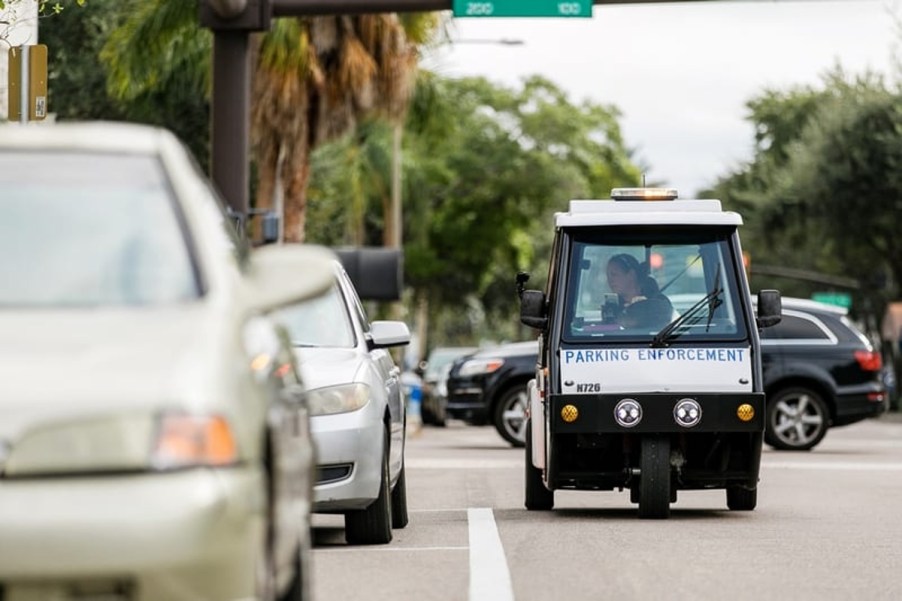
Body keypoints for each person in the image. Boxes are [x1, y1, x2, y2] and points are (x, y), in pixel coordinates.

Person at [604, 253, 673, 329]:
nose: (609, 280)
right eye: (608, 276)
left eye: (614, 274)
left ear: (631, 275)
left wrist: (642, 306)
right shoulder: (613, 308)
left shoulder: (659, 302)